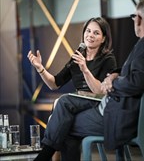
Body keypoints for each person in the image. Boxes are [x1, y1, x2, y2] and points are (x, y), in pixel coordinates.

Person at [27, 17, 117, 160]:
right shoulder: (78, 56)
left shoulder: (107, 59)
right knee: (66, 126)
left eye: (96, 33)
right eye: (88, 31)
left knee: (63, 101)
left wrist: (85, 69)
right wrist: (40, 68)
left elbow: (100, 91)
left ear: (103, 38)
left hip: (97, 103)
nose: (90, 35)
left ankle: (45, 155)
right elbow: (54, 83)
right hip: (77, 104)